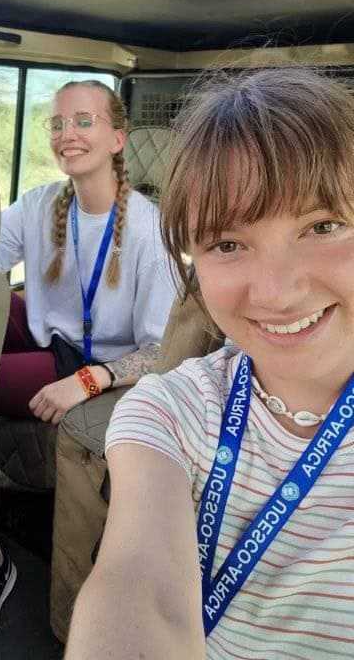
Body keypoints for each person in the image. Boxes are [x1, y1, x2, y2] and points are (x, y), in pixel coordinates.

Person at [65, 67, 354, 660]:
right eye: (227, 244)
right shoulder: (174, 409)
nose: (274, 292)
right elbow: (138, 587)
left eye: (322, 226)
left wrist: (93, 376)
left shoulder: (141, 230)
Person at [0, 80, 176, 658]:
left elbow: (163, 351)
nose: (66, 134)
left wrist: (89, 380)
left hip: (98, 360)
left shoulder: (150, 228)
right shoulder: (42, 202)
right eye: (56, 124)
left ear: (117, 136)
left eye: (84, 122)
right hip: (49, 333)